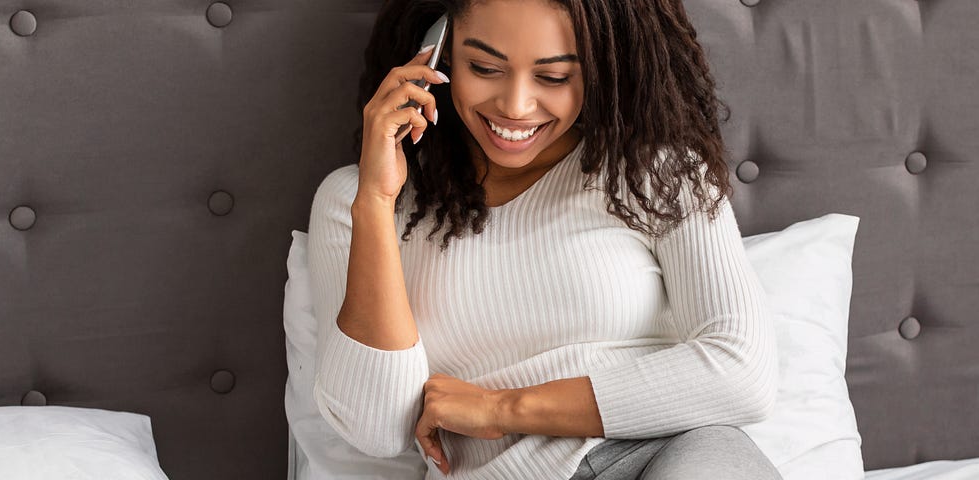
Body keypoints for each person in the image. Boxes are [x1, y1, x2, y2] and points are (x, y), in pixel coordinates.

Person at [302, 0, 782, 478]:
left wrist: (501, 409)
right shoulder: (359, 202)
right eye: (485, 67)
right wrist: (375, 199)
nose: (515, 106)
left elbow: (742, 372)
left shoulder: (656, 174)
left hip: (673, 457)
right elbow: (377, 429)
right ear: (439, 52)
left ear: (599, 68)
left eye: (553, 77)